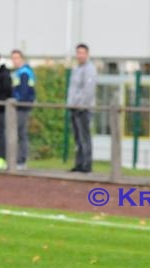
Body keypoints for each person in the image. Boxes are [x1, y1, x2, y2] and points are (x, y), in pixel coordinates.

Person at [67, 43, 97, 173]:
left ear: (87, 54)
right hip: (74, 108)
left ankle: (87, 165)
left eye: (82, 53)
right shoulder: (76, 69)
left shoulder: (89, 69)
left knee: (85, 137)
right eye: (78, 53)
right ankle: (79, 164)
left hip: (83, 109)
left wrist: (82, 105)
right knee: (77, 138)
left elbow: (88, 90)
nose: (80, 55)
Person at [10, 49, 36, 170]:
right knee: (19, 133)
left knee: (21, 133)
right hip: (19, 106)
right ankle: (18, 160)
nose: (14, 61)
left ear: (22, 59)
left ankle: (21, 160)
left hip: (22, 107)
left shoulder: (24, 72)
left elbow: (24, 91)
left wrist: (18, 102)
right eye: (13, 58)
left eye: (17, 58)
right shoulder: (19, 72)